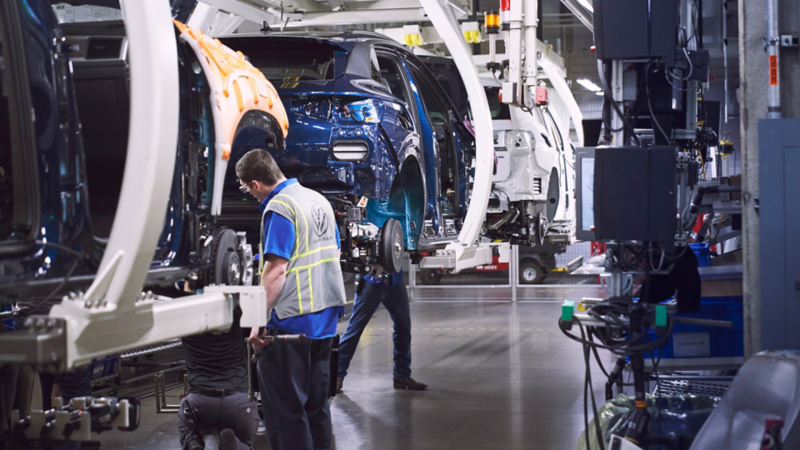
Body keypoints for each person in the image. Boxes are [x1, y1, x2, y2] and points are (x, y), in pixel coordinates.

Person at [236, 149, 346, 450]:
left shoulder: (280, 208)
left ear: (256, 184)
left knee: (286, 413)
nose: (249, 194)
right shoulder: (316, 199)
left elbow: (276, 270)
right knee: (316, 407)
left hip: (290, 324)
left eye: (247, 188)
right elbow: (334, 253)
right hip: (323, 320)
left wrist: (257, 321)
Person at [178, 304, 260, 450]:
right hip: (238, 401)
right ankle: (238, 446)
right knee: (247, 444)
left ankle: (193, 442)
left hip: (201, 403)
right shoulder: (235, 314)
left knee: (187, 423)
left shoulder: (185, 321)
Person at [336, 269, 427, 392]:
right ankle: (336, 378)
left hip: (395, 281)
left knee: (403, 327)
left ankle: (402, 376)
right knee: (355, 329)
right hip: (371, 282)